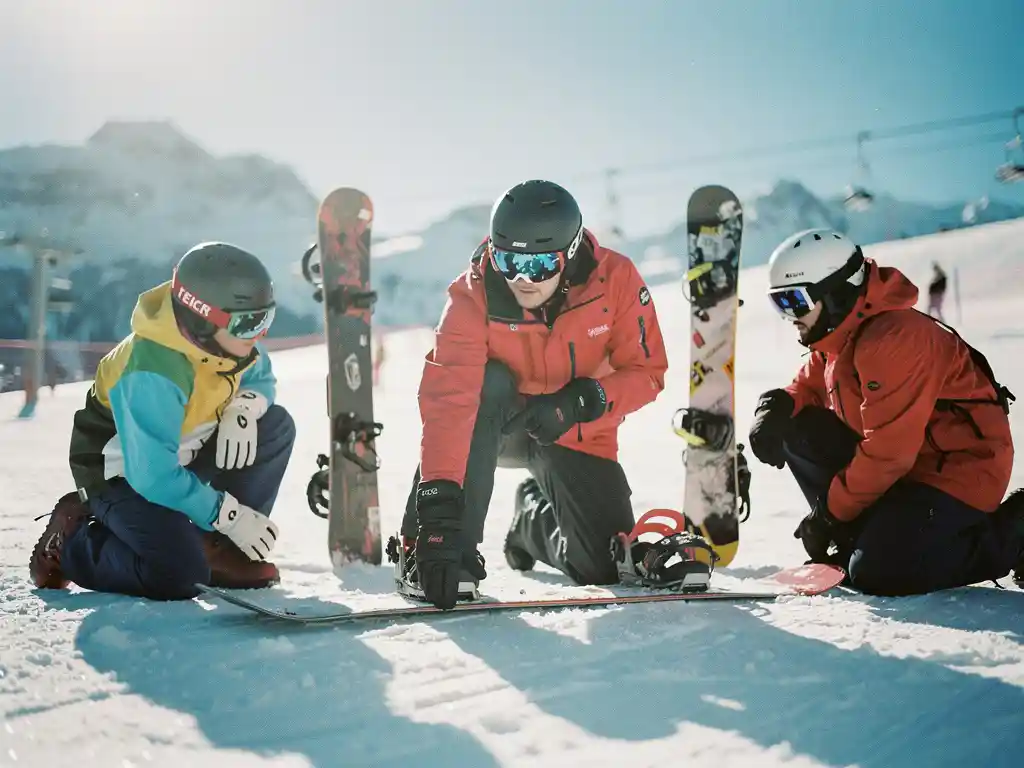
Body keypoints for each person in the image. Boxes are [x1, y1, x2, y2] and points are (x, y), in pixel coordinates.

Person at [392, 179, 702, 610]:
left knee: (601, 565)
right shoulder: (471, 294)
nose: (522, 279)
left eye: (538, 266)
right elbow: (448, 402)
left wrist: (581, 401)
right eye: (508, 260)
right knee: (487, 382)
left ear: (570, 252)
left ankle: (531, 521)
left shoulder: (616, 280)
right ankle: (440, 548)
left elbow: (647, 372)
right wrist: (438, 525)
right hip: (491, 427)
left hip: (574, 428)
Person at [748, 228, 1022, 596]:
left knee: (880, 572)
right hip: (906, 468)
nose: (789, 316)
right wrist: (776, 405)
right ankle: (864, 533)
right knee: (795, 426)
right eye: (778, 303)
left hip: (958, 472)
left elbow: (888, 454)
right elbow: (808, 385)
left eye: (795, 301)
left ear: (835, 292)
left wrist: (828, 514)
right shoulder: (838, 332)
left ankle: (1014, 532)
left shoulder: (895, 339)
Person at [29, 242, 295, 600]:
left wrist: (242, 408)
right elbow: (153, 476)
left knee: (273, 426)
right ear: (203, 318)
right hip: (123, 477)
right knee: (178, 575)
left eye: (266, 319)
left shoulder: (230, 343)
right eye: (249, 323)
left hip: (181, 458)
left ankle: (217, 548)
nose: (259, 335)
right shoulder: (153, 371)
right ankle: (73, 544)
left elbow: (260, 375)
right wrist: (228, 515)